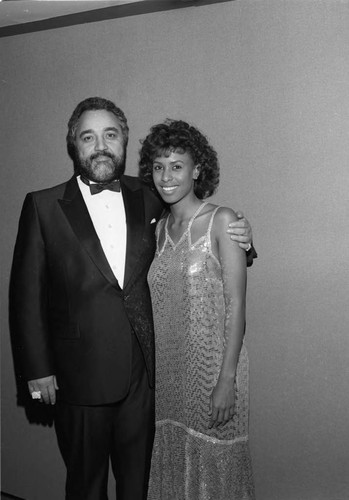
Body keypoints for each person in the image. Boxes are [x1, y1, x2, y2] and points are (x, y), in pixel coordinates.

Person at [10, 97, 255, 500]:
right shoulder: (42, 205)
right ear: (75, 145)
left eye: (110, 134)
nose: (100, 145)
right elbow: (25, 296)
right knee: (85, 486)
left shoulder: (150, 193)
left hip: (146, 381)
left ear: (123, 141)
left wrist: (245, 236)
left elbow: (203, 222)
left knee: (140, 486)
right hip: (79, 380)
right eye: (88, 137)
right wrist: (37, 372)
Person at [139, 119, 255, 499]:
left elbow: (236, 306)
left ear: (197, 169)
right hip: (171, 376)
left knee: (215, 468)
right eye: (158, 166)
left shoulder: (222, 221)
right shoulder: (157, 230)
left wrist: (227, 380)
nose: (166, 176)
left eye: (177, 165)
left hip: (213, 372)